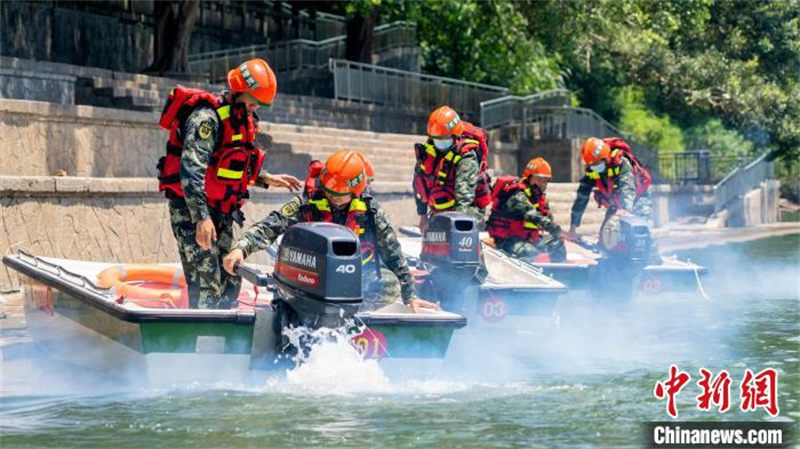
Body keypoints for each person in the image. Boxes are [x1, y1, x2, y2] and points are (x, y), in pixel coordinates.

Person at [156, 58, 302, 309]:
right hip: (193, 211)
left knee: (231, 280)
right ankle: (197, 344)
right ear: (237, 90)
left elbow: (229, 166)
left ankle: (226, 344)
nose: (255, 107)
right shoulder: (207, 118)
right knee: (205, 287)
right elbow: (191, 170)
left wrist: (265, 178)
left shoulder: (242, 118)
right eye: (253, 101)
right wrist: (201, 217)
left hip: (221, 211)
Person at [223, 150, 438, 313]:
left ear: (356, 190)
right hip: (311, 279)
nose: (332, 197)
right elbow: (271, 225)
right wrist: (241, 249)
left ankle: (350, 317)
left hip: (354, 282)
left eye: (339, 193)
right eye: (329, 191)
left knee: (388, 284)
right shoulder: (307, 203)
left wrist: (410, 295)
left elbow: (394, 255)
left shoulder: (372, 213)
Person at [567, 137, 661, 262]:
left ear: (606, 158)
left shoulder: (622, 162)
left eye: (597, 164)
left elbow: (627, 188)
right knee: (605, 239)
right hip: (616, 203)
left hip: (637, 198)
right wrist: (573, 226)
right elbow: (581, 197)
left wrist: (626, 210)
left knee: (640, 231)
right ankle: (615, 263)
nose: (595, 167)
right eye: (592, 165)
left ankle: (653, 260)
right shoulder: (592, 170)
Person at [412, 106, 491, 233]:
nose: (440, 143)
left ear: (455, 135)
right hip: (441, 209)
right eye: (437, 139)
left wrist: (459, 229)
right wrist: (423, 217)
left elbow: (464, 195)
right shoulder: (429, 152)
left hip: (469, 208)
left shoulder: (467, 156)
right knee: (434, 244)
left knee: (458, 242)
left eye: (445, 139)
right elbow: (419, 185)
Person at [487, 157, 567, 263]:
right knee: (530, 252)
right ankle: (518, 277)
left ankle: (560, 274)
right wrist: (559, 230)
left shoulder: (538, 198)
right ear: (529, 177)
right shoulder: (517, 195)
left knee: (556, 243)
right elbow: (533, 216)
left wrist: (558, 234)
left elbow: (547, 219)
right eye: (539, 179)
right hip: (507, 241)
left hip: (528, 239)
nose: (542, 184)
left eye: (545, 181)